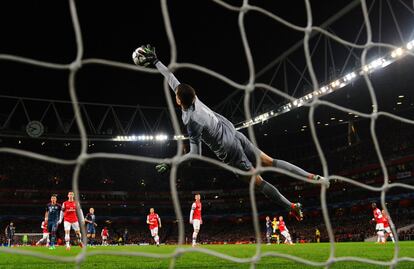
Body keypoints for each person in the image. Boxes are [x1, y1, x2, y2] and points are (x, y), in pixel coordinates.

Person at [133, 44, 329, 221]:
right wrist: (157, 61)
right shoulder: (193, 98)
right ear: (193, 95)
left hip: (228, 149)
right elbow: (171, 78)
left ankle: (291, 206)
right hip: (232, 131)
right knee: (270, 161)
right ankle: (312, 177)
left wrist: (171, 163)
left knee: (257, 181)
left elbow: (195, 154)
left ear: (178, 100)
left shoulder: (191, 120)